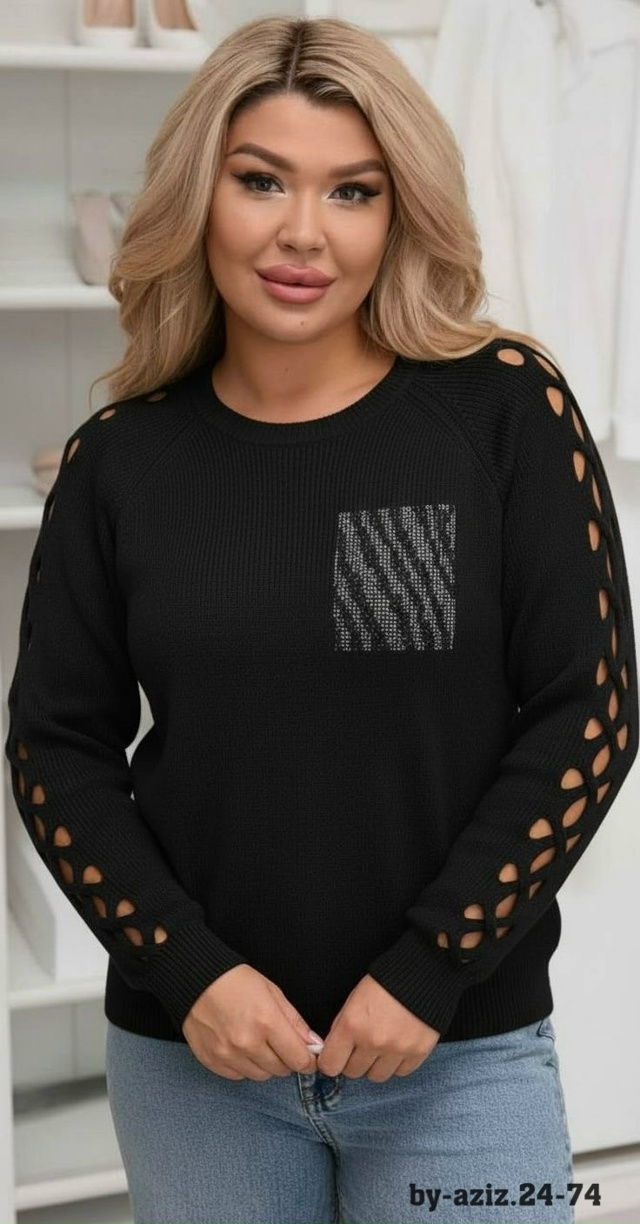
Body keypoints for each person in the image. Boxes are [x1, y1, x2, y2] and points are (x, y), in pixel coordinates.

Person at [4, 15, 638, 1224]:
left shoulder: (501, 409)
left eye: (353, 190)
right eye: (261, 181)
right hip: (197, 1062)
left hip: (458, 1057)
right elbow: (55, 748)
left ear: (399, 213)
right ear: (199, 195)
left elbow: (587, 714)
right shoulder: (119, 460)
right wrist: (191, 974)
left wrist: (433, 965)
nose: (304, 231)